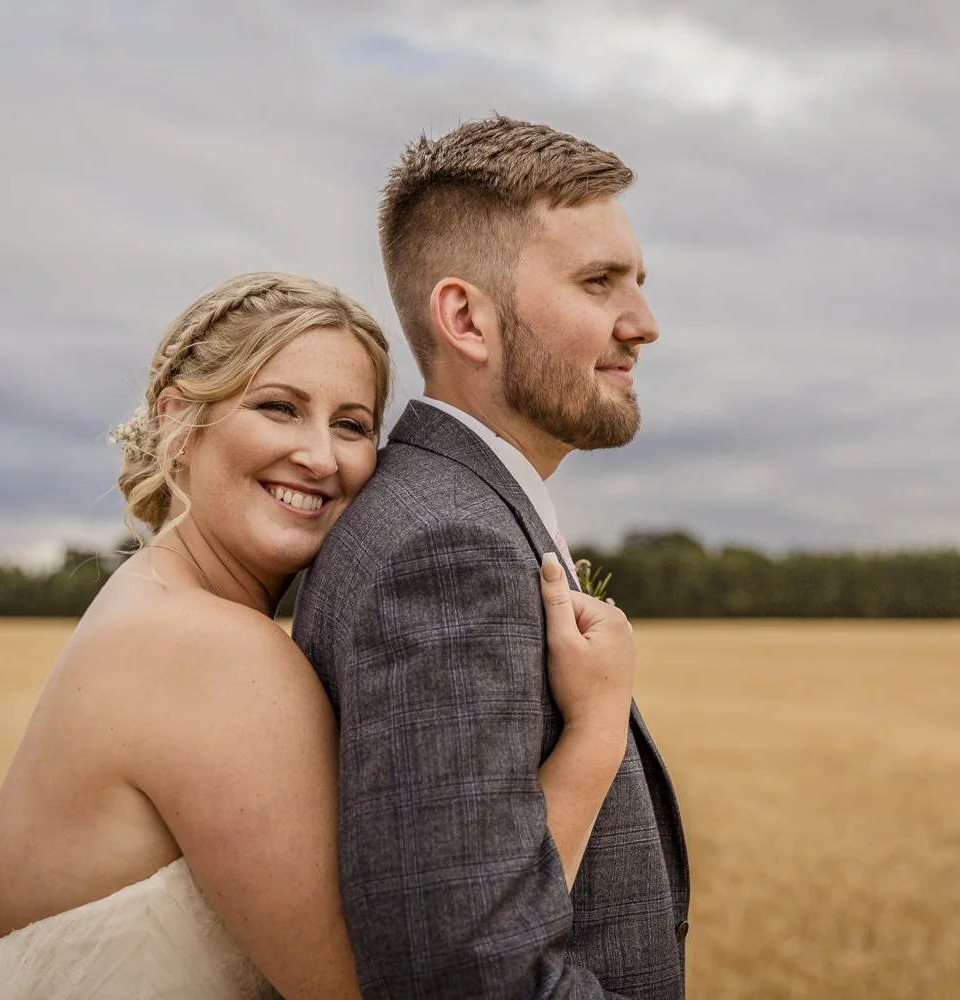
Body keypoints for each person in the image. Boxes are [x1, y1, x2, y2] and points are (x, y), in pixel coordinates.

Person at [0, 272, 639, 999]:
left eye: (350, 425)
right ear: (177, 422)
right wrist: (596, 733)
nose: (320, 457)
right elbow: (423, 984)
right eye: (279, 408)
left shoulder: (150, 604)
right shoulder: (209, 652)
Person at [294, 116, 689, 998]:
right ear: (467, 317)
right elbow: (473, 982)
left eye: (639, 283)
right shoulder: (446, 551)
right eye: (599, 283)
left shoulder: (448, 512)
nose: (645, 324)